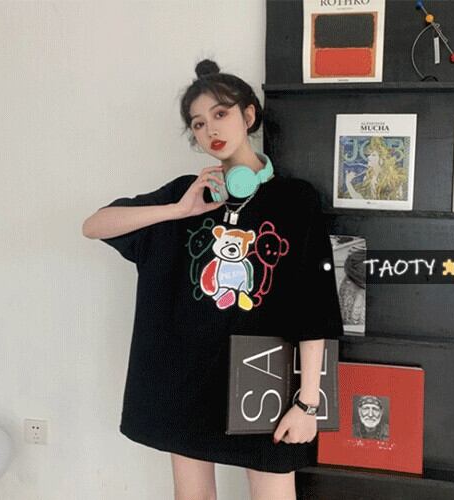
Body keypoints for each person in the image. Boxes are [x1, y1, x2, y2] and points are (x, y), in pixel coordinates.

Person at [82, 59, 343, 500]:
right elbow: (94, 225)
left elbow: (313, 306)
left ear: (248, 115)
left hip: (263, 377)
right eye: (198, 123)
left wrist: (308, 403)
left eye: (220, 113)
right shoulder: (187, 193)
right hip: (186, 379)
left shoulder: (295, 199)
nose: (210, 129)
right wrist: (178, 210)